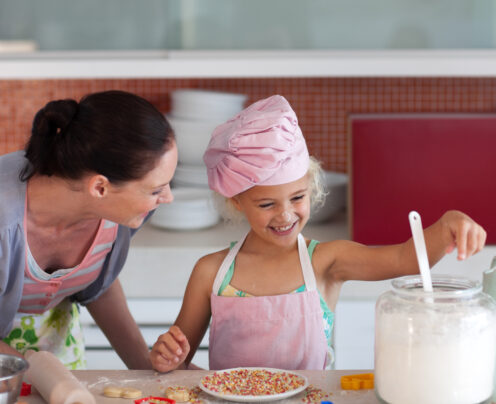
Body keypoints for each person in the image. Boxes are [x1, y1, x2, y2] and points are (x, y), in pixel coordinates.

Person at [149, 95, 486, 372]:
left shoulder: (326, 261)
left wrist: (448, 225)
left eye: (298, 197)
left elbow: (404, 258)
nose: (285, 214)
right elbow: (179, 359)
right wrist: (167, 356)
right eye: (266, 204)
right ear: (237, 202)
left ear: (311, 188)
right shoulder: (211, 272)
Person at [0, 90, 177, 370]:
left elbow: (101, 286)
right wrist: (46, 377)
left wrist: (147, 368)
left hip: (60, 353)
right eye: (156, 189)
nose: (168, 198)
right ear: (100, 187)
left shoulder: (122, 212)